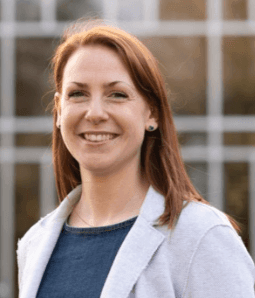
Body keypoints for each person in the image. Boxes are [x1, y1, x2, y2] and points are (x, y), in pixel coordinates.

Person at [17, 19, 255, 298]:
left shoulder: (201, 236)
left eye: (117, 95)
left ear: (151, 113)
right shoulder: (35, 244)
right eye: (78, 94)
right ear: (58, 111)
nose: (94, 113)